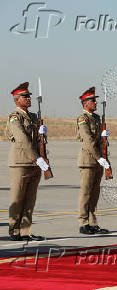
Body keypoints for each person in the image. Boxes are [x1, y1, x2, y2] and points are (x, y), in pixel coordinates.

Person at [5, 82, 48, 241]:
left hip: (35, 163)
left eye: (29, 96)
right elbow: (23, 139)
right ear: (17, 100)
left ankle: (25, 231)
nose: (29, 98)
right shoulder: (15, 117)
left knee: (30, 199)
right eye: (25, 96)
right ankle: (14, 230)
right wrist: (36, 158)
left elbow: (39, 141)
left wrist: (43, 154)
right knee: (18, 198)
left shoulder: (34, 117)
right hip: (21, 163)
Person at [76, 87, 110, 234]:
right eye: (92, 100)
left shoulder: (96, 118)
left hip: (98, 160)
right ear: (85, 103)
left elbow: (97, 140)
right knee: (86, 192)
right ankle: (83, 222)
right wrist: (99, 158)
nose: (96, 102)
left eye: (95, 100)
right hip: (88, 160)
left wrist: (103, 138)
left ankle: (92, 221)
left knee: (95, 193)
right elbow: (88, 140)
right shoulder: (83, 118)